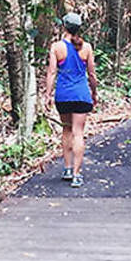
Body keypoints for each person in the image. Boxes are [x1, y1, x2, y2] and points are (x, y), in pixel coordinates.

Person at [44, 12, 98, 188]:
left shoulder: (57, 47)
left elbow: (52, 72)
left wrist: (47, 95)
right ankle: (76, 174)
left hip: (64, 95)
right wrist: (94, 93)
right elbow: (91, 74)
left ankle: (67, 168)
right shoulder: (87, 48)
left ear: (64, 26)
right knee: (78, 132)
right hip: (81, 95)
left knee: (67, 129)